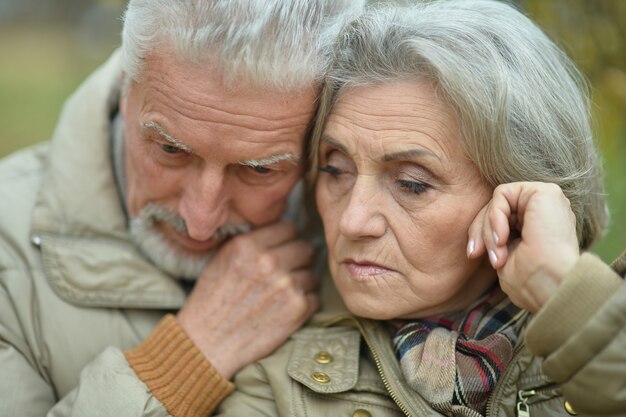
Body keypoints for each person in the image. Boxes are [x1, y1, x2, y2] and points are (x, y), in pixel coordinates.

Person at [214, 1, 626, 416]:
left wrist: (565, 295)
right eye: (335, 169)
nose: (353, 221)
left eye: (411, 184)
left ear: (517, 196)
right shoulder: (273, 380)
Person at [0, 1, 365, 416]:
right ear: (126, 85)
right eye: (171, 149)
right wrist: (186, 362)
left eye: (260, 170)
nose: (200, 221)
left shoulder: (368, 233)